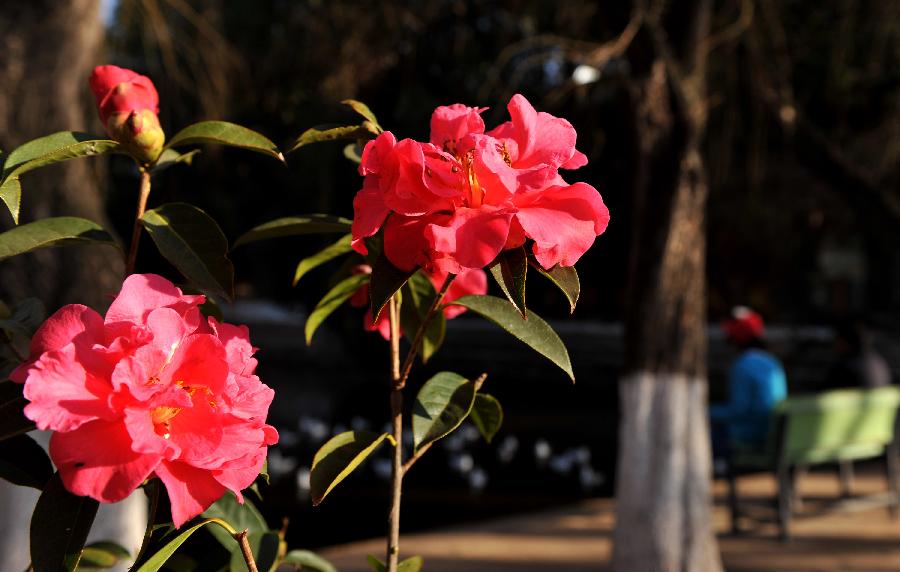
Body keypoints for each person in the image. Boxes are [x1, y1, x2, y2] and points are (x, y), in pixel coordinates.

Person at [711, 307, 788, 455]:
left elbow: (739, 410)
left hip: (752, 433)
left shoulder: (743, 365)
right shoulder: (771, 361)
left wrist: (706, 411)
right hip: (772, 429)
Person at [823, 319, 892, 390]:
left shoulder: (844, 367)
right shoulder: (878, 362)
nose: (834, 346)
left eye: (837, 341)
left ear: (844, 342)